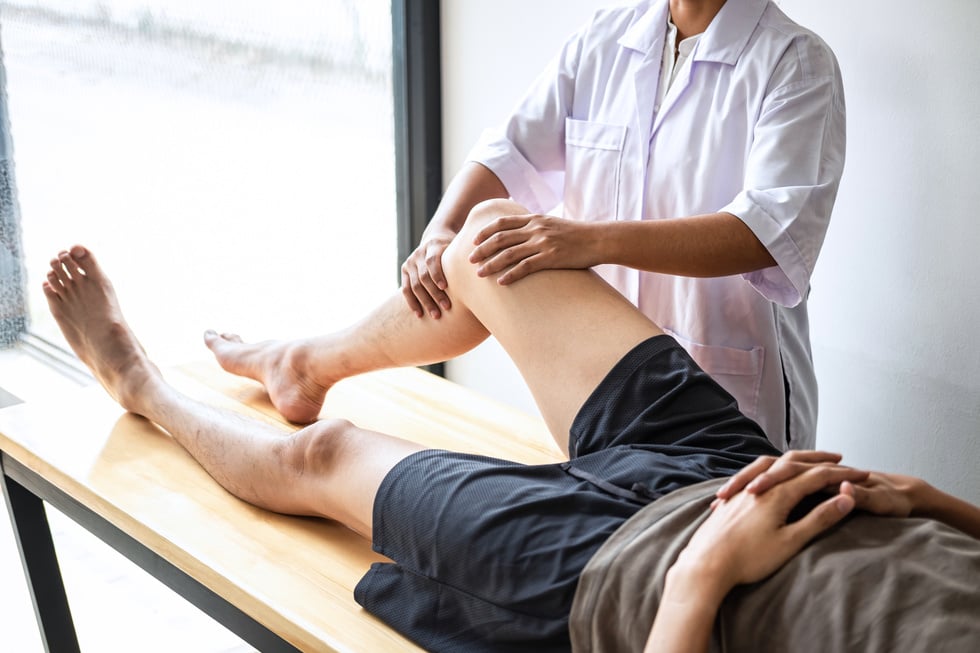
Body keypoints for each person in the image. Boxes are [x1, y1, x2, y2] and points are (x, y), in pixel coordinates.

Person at [42, 201, 979, 652]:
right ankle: (305, 362)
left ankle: (141, 384)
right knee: (491, 244)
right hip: (742, 471)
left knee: (322, 457)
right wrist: (929, 498)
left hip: (619, 571)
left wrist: (704, 572)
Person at [395, 0, 846, 450]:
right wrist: (442, 228)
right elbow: (512, 151)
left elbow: (764, 234)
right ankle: (324, 366)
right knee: (485, 233)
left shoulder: (796, 62)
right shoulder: (604, 37)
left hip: (726, 395)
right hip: (598, 384)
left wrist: (590, 241)